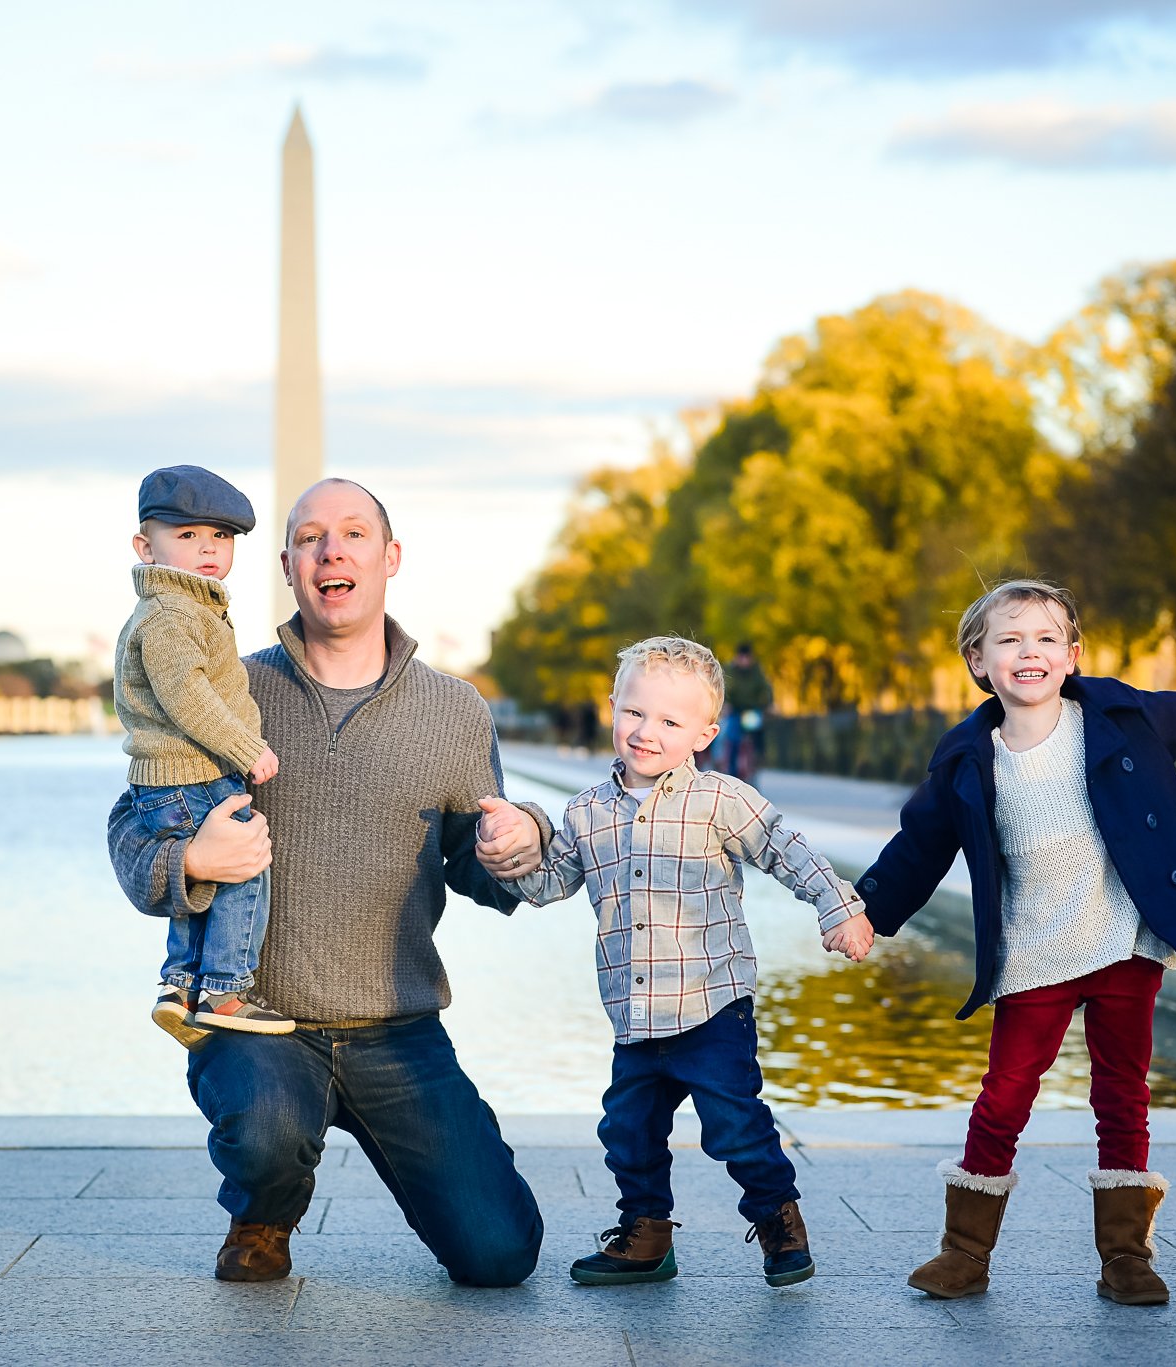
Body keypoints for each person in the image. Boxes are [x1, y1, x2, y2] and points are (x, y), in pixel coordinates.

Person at [853, 579, 1176, 1307]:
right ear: (978, 660)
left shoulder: (1120, 714)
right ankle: (964, 1251)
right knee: (1004, 1095)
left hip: (1124, 936)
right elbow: (918, 845)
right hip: (1033, 951)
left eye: (1047, 638)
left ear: (1073, 654)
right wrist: (866, 910)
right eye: (1010, 639)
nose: (1031, 651)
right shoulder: (966, 756)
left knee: (1122, 1092)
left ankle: (1126, 1255)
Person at [108, 477, 552, 1287]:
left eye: (352, 533)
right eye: (310, 537)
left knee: (500, 1254)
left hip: (398, 1029)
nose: (332, 549)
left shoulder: (456, 712)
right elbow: (132, 824)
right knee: (268, 1130)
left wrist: (515, 846)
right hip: (259, 1023)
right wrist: (191, 864)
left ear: (390, 558)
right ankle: (263, 1209)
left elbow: (476, 863)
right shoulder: (223, 689)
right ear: (286, 564)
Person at [500, 636, 874, 1287]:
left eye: (670, 721)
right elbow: (546, 885)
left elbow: (790, 850)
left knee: (735, 1124)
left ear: (704, 732)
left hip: (711, 1004)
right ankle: (646, 1235)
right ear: (611, 706)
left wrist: (837, 906)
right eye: (635, 713)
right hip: (634, 1011)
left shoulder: (721, 799)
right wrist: (507, 852)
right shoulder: (587, 811)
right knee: (629, 1132)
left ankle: (779, 1222)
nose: (647, 732)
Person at [114, 466, 288, 1041]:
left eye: (220, 537)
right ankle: (226, 990)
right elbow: (185, 693)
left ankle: (181, 986)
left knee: (204, 884)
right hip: (194, 775)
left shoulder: (188, 608)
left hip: (174, 778)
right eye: (186, 536)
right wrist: (246, 746)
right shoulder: (172, 613)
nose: (208, 549)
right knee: (243, 869)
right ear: (146, 546)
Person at [724, 642, 773, 782]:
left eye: (747, 657)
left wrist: (768, 703)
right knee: (732, 739)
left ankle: (757, 760)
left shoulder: (757, 671)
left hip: (751, 710)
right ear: (737, 657)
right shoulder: (730, 670)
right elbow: (724, 688)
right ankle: (731, 774)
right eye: (742, 657)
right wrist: (726, 703)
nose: (744, 661)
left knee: (756, 735)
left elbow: (766, 688)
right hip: (735, 710)